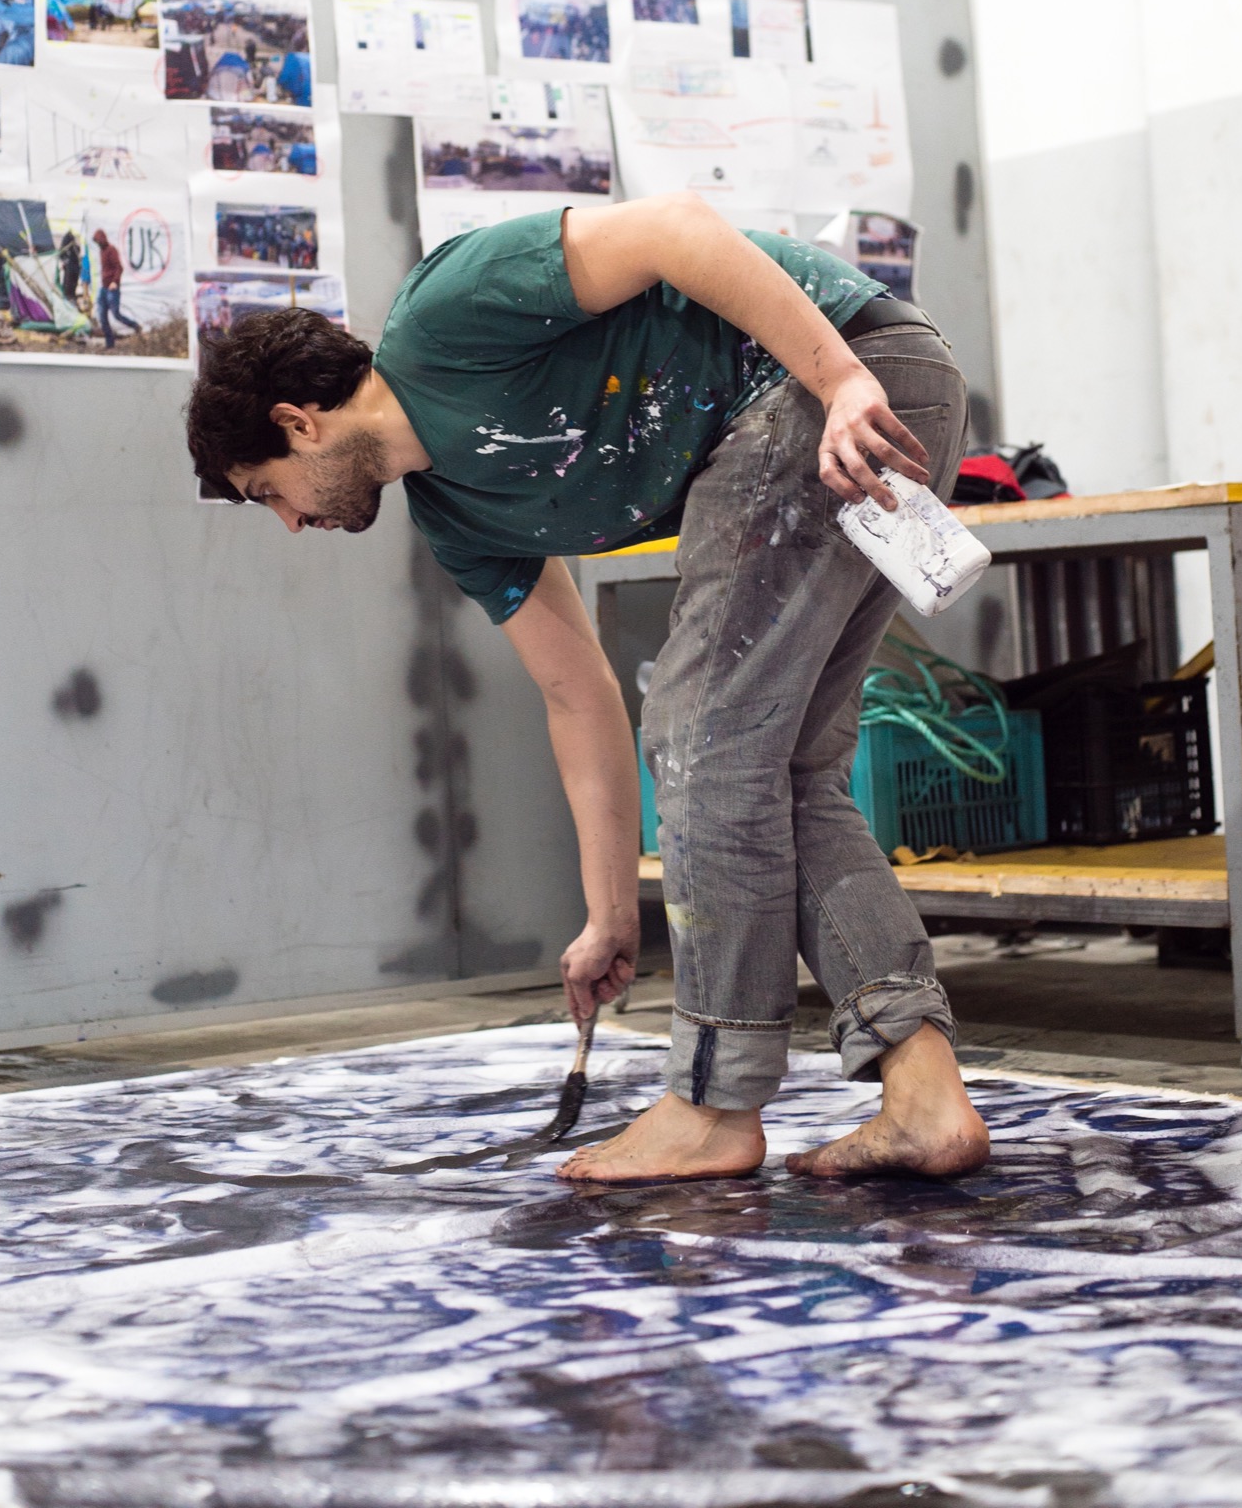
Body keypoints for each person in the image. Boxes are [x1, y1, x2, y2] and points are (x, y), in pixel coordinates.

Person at [184, 197, 989, 1185]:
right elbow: (576, 692)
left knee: (705, 738)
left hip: (837, 383)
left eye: (269, 491)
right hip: (859, 401)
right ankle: (923, 1095)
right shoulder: (456, 515)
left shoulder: (443, 315)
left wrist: (841, 379)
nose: (290, 524)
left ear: (297, 423)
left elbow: (675, 230)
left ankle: (713, 1103)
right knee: (780, 770)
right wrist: (610, 914)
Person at [91, 228, 141, 350]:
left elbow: (119, 267)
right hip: (104, 288)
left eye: (98, 241)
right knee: (102, 316)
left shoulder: (111, 250)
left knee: (116, 314)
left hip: (112, 288)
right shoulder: (102, 251)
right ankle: (109, 344)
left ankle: (135, 326)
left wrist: (114, 282)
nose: (98, 244)